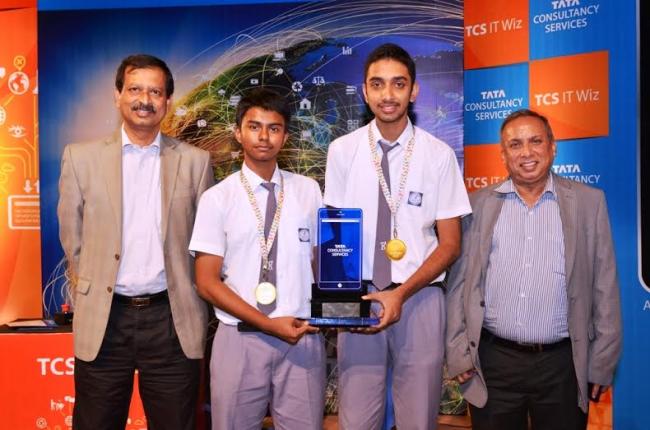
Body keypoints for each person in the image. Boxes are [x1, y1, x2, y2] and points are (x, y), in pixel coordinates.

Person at [57, 54, 214, 430]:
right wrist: (93, 285)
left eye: (155, 92)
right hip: (105, 320)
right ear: (117, 95)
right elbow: (72, 239)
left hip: (172, 321)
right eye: (135, 89)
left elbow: (205, 243)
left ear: (168, 101)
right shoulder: (80, 159)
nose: (145, 100)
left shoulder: (196, 162)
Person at [324, 43, 471, 429]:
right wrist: (342, 302)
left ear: (414, 90)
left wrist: (400, 294)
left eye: (398, 84)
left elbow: (451, 243)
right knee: (356, 420)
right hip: (361, 296)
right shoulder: (342, 151)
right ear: (365, 91)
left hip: (420, 297)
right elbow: (335, 235)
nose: (387, 94)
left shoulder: (438, 155)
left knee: (418, 419)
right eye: (377, 84)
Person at [445, 109, 622, 430]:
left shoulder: (589, 202)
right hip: (493, 364)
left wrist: (602, 361)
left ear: (552, 147)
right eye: (515, 145)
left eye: (535, 141)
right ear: (503, 155)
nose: (526, 152)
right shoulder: (477, 205)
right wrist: (458, 352)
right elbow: (458, 285)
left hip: (563, 366)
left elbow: (605, 287)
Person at [190, 88, 326, 430]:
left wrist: (341, 304)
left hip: (300, 335)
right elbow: (206, 282)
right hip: (239, 339)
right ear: (238, 132)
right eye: (254, 127)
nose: (264, 137)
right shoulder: (217, 198)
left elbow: (321, 263)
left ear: (286, 137)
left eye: (274, 128)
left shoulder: (308, 190)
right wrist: (267, 323)